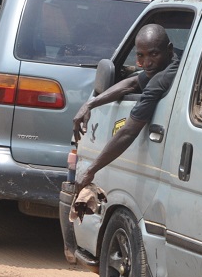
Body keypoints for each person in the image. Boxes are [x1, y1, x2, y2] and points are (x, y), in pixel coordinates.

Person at [72, 24, 178, 187]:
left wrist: (90, 171)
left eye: (153, 54)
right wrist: (90, 104)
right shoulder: (176, 61)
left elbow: (128, 132)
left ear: (169, 49)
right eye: (140, 56)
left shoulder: (160, 81)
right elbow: (133, 82)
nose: (146, 63)